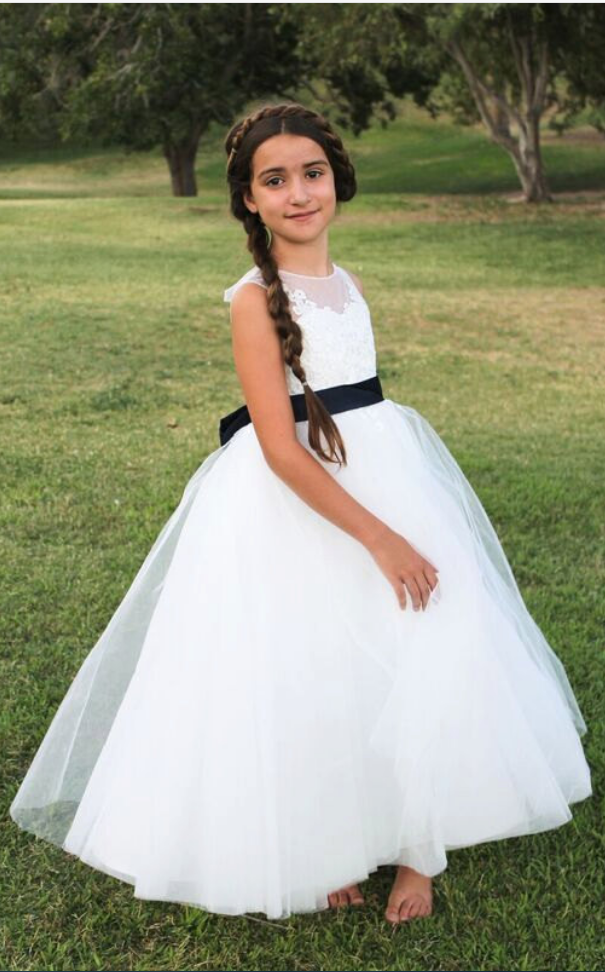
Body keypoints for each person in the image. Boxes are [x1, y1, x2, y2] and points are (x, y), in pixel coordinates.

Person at [9, 102, 592, 926]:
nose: (298, 193)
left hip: (387, 473)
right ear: (249, 200)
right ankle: (325, 844)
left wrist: (395, 521)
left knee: (415, 650)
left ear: (336, 179)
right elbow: (280, 449)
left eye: (311, 173)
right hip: (296, 502)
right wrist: (379, 538)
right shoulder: (253, 300)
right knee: (307, 670)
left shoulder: (348, 285)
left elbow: (361, 402)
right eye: (274, 180)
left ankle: (417, 845)